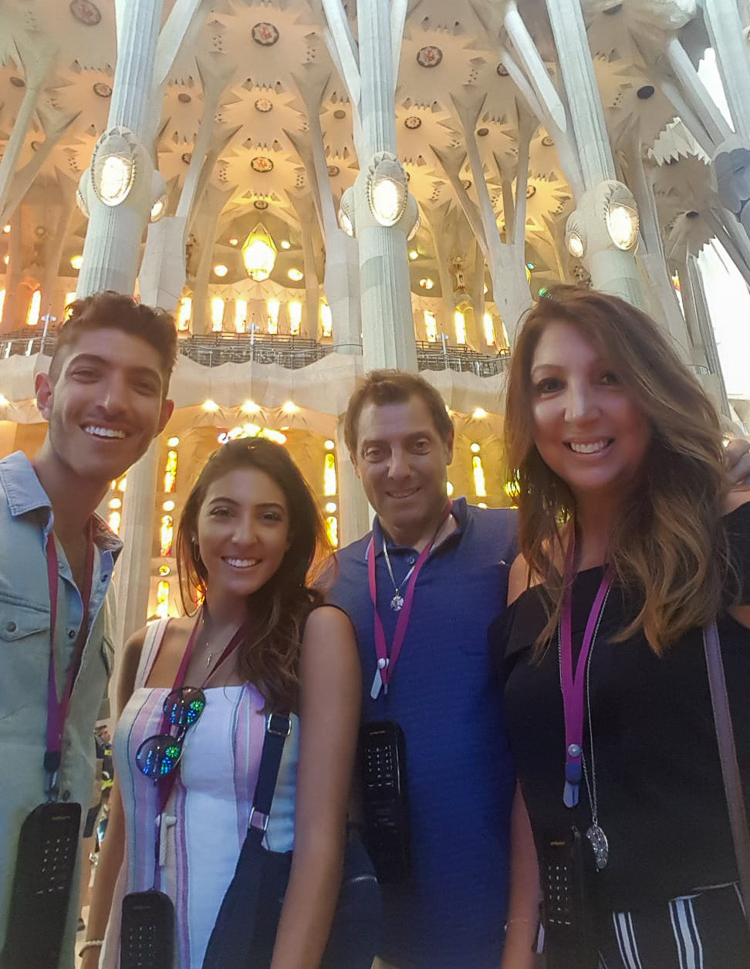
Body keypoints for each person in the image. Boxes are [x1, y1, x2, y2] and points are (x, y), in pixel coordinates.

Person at [493, 285, 750, 968]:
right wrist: (521, 947)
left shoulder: (726, 534)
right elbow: (534, 784)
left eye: (608, 377)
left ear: (651, 388)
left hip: (713, 928)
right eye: (551, 385)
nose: (579, 410)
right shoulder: (531, 572)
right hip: (579, 937)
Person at [82, 438, 374, 969]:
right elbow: (126, 815)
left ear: (290, 537)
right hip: (138, 942)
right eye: (223, 512)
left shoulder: (316, 636)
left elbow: (320, 840)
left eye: (268, 516)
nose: (244, 536)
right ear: (193, 525)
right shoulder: (145, 648)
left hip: (246, 937)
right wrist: (95, 944)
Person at [0, 291, 176, 967]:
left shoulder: (98, 562)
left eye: (140, 384)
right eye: (88, 373)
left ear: (161, 418)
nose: (112, 400)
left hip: (38, 919)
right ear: (44, 393)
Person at [327, 371, 518, 969]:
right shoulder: (332, 581)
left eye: (417, 445)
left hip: (507, 900)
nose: (398, 469)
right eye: (376, 452)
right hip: (389, 918)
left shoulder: (516, 541)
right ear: (355, 462)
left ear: (449, 445)